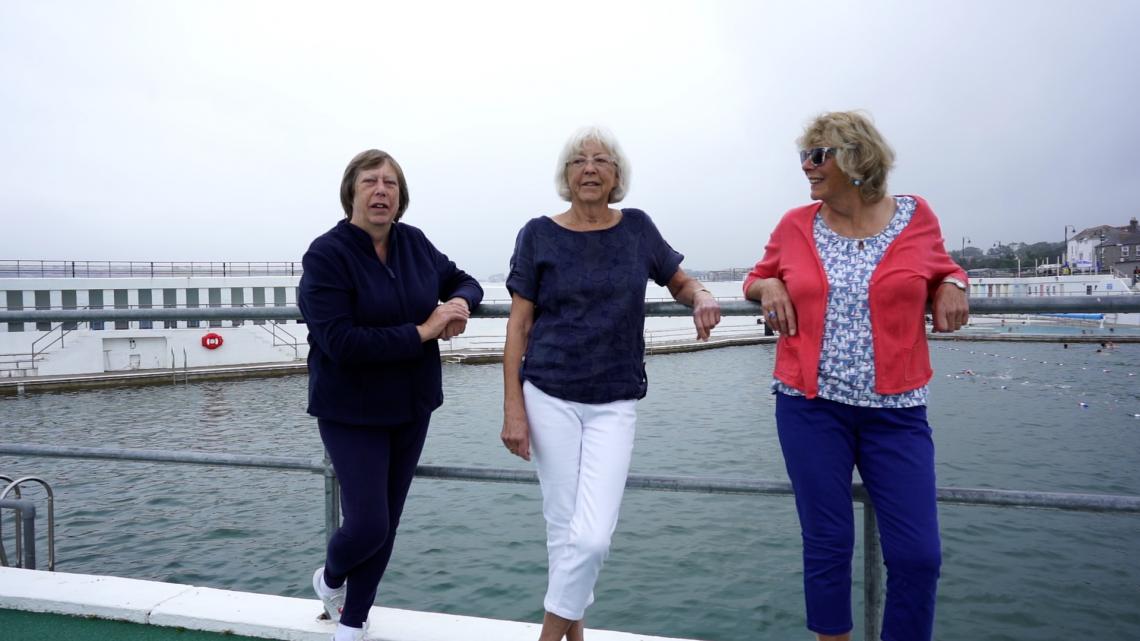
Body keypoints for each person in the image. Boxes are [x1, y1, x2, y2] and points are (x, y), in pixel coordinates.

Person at [743, 111, 969, 641]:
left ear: (855, 158)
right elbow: (758, 275)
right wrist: (768, 287)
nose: (806, 166)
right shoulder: (794, 224)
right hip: (810, 406)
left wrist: (954, 283)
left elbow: (942, 267)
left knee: (918, 555)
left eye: (817, 155)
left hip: (897, 412)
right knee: (828, 542)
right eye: (803, 155)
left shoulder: (915, 215)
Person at [500, 126, 721, 641]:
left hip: (615, 399)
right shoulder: (538, 234)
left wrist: (703, 295)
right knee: (564, 532)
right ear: (566, 174)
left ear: (617, 174)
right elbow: (519, 325)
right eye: (579, 160)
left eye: (601, 160)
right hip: (548, 393)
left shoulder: (637, 229)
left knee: (592, 538)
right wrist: (513, 407)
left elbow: (679, 280)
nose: (590, 169)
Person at [298, 149, 483, 641]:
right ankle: (330, 579)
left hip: (411, 404)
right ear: (351, 192)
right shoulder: (326, 255)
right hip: (350, 409)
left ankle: (352, 623)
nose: (381, 191)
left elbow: (464, 280)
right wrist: (424, 330)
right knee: (368, 525)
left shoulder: (414, 243)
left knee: (389, 523)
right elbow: (341, 342)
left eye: (391, 183)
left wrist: (459, 304)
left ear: (401, 197)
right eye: (370, 182)